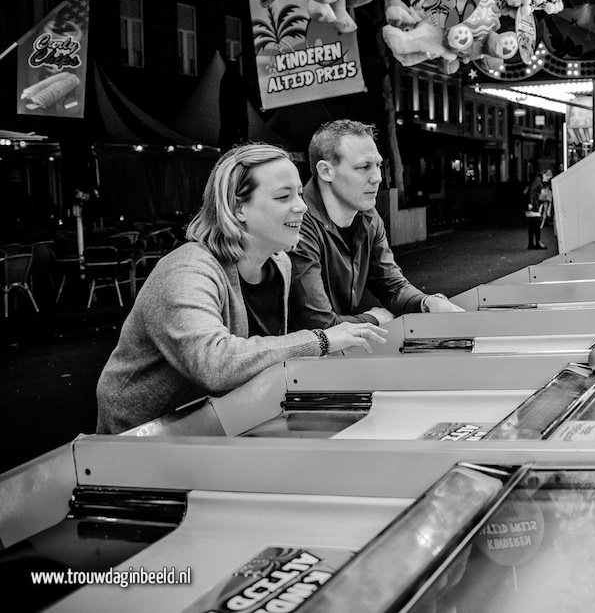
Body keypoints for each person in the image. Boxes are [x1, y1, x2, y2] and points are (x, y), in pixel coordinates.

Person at [95, 144, 387, 434]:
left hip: (221, 425)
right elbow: (215, 364)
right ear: (238, 208)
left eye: (299, 193)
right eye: (283, 196)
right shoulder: (186, 270)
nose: (301, 206)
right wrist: (321, 340)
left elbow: (264, 361)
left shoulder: (280, 264)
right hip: (139, 441)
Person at [290, 120, 463, 330]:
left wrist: (427, 303)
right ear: (326, 171)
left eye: (379, 165)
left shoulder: (368, 217)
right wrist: (376, 319)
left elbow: (392, 285)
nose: (377, 178)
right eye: (364, 167)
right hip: (291, 359)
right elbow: (319, 324)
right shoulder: (296, 221)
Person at [525, 169, 552, 249]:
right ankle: (538, 242)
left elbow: (531, 190)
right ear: (545, 175)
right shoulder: (538, 180)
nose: (546, 180)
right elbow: (532, 190)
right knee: (536, 224)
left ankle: (531, 243)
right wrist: (530, 202)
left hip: (531, 204)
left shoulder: (536, 178)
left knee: (531, 225)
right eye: (547, 178)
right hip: (533, 205)